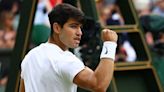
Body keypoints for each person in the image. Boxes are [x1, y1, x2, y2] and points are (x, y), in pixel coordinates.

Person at [19, 3, 118, 92]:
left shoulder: (29, 56)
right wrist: (110, 44)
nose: (79, 32)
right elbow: (98, 85)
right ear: (57, 28)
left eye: (80, 27)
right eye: (73, 26)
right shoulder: (65, 59)